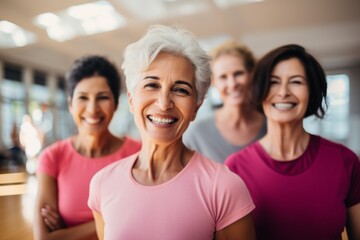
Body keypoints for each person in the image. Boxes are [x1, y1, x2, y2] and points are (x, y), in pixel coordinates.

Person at [88, 25, 256, 240]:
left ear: (196, 106)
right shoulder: (102, 183)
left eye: (181, 90)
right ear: (131, 99)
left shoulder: (224, 187)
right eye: (151, 85)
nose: (164, 103)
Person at [225, 44, 360, 239]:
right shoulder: (235, 168)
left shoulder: (345, 161)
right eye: (273, 82)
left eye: (296, 82)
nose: (283, 92)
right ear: (258, 91)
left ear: (312, 91)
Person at [34, 55, 141, 240]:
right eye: (83, 97)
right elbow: (45, 238)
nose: (92, 109)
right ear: (70, 104)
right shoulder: (52, 157)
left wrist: (66, 233)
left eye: (103, 97)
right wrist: (114, 219)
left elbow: (144, 220)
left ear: (115, 104)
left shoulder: (138, 154)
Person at [183, 41, 266, 163]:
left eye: (238, 73)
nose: (232, 84)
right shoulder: (197, 133)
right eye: (223, 77)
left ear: (251, 74)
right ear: (214, 82)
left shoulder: (272, 126)